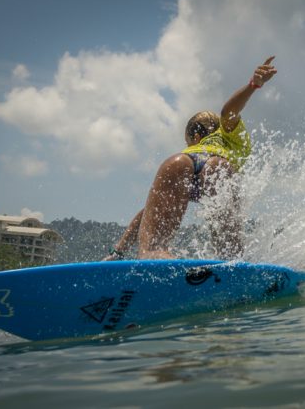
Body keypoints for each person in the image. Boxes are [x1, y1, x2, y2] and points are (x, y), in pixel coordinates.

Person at [104, 56, 277, 260]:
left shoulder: (209, 139)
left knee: (154, 249)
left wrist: (119, 251)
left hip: (177, 163)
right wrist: (253, 85)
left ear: (195, 137)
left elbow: (147, 213)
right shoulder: (233, 136)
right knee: (229, 255)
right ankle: (230, 263)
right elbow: (229, 112)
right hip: (218, 167)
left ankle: (156, 254)